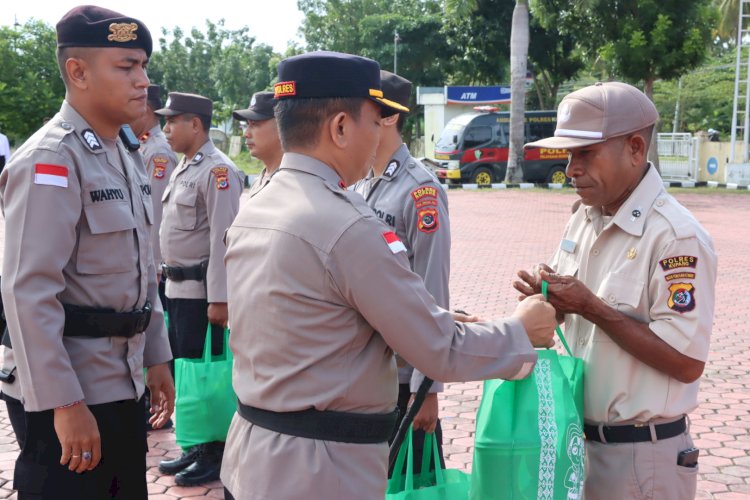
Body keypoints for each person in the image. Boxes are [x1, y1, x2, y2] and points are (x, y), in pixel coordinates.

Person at [220, 50, 558, 500]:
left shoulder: (257, 206)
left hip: (252, 454)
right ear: (340, 127)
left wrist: (444, 318)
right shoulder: (347, 226)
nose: (379, 135)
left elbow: (316, 319)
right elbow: (440, 351)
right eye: (373, 122)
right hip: (321, 470)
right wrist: (520, 332)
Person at [0, 5, 175, 499]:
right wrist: (64, 403)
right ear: (77, 72)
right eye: (126, 67)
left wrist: (158, 355)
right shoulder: (52, 158)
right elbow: (27, 289)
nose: (143, 80)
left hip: (122, 379)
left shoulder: (123, 152)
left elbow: (143, 266)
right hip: (72, 391)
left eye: (143, 65)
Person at [516, 81, 717, 500]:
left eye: (585, 153)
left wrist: (591, 307)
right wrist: (551, 301)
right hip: (579, 446)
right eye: (569, 155)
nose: (571, 168)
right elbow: (577, 315)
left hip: (642, 457)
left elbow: (686, 363)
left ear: (636, 149)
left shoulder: (675, 238)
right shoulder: (585, 217)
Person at [352, 70, 449, 475]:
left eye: (362, 111)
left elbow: (432, 290)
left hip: (405, 381)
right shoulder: (361, 184)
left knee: (411, 483)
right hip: (367, 371)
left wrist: (427, 387)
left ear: (389, 118)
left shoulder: (420, 191)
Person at [155, 91, 244, 486]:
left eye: (173, 121)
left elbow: (223, 238)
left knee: (210, 372)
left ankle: (217, 450)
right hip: (176, 289)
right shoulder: (183, 166)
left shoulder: (218, 170)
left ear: (196, 124)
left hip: (201, 292)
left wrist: (220, 298)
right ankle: (197, 445)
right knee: (189, 370)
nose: (166, 128)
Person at [233, 90, 281, 195]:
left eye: (254, 124)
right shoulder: (260, 178)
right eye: (247, 124)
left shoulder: (290, 182)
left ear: (280, 126)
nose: (246, 134)